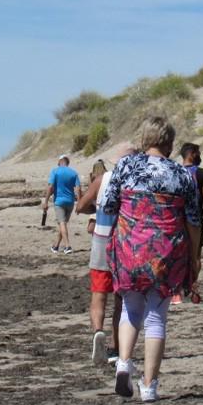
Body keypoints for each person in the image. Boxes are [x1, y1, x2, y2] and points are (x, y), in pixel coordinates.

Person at [102, 118, 202, 402]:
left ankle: (123, 362)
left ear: (145, 139)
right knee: (157, 317)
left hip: (130, 248)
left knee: (130, 309)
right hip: (166, 253)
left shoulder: (125, 166)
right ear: (169, 143)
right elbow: (193, 220)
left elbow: (109, 205)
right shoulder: (183, 174)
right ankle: (149, 387)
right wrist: (195, 256)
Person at [76, 151, 134, 365]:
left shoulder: (103, 179)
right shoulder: (137, 181)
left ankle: (98, 332)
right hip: (126, 244)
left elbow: (80, 206)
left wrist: (97, 208)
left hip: (102, 241)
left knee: (99, 296)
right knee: (122, 301)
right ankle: (117, 348)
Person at [178, 142, 203, 304]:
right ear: (192, 154)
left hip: (177, 218)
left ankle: (178, 291)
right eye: (198, 153)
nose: (200, 156)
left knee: (178, 255)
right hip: (194, 217)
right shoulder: (201, 173)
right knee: (195, 255)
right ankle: (193, 289)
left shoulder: (175, 172)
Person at [42, 154, 81, 254]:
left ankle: (67, 246)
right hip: (70, 202)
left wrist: (46, 201)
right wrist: (80, 202)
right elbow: (78, 188)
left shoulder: (55, 171)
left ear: (60, 161)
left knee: (62, 223)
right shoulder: (74, 173)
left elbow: (50, 187)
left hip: (59, 202)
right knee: (62, 224)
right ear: (67, 162)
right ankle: (56, 246)